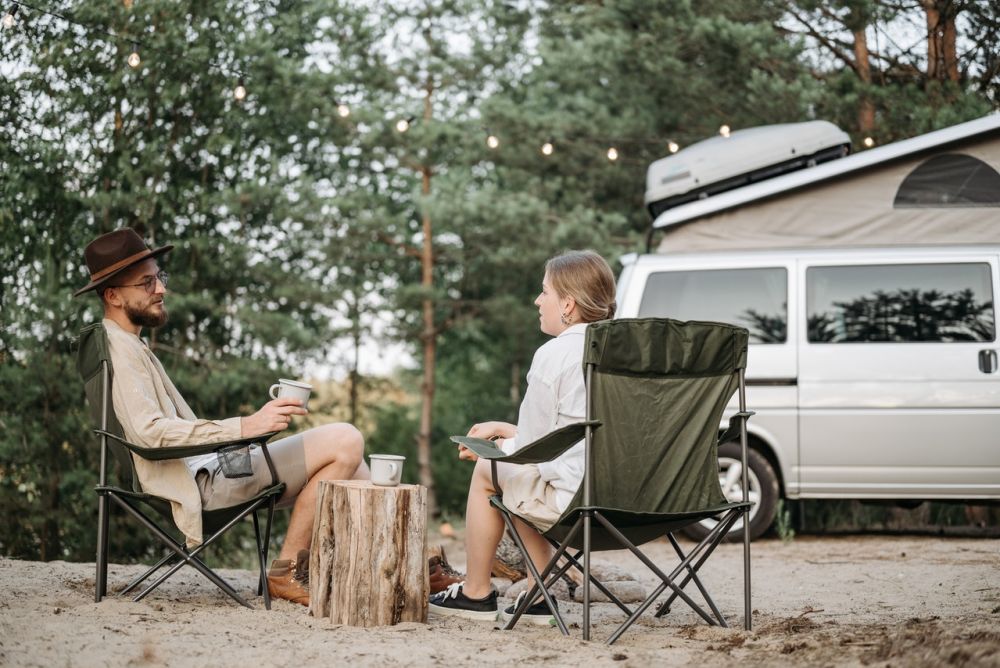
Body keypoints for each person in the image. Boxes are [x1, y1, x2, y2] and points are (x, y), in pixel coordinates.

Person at [75, 228, 369, 607]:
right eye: (146, 282)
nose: (161, 289)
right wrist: (247, 426)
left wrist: (244, 434)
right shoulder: (120, 351)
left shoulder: (129, 343)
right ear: (112, 295)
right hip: (200, 485)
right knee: (345, 439)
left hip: (212, 470)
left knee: (357, 466)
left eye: (159, 277)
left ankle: (402, 567)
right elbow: (149, 434)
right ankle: (285, 571)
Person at [428, 250, 617, 624]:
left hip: (581, 500)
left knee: (492, 472)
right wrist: (504, 429)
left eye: (543, 291)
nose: (537, 300)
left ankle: (476, 593)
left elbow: (533, 451)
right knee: (520, 473)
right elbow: (576, 431)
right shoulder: (629, 352)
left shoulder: (556, 354)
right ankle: (536, 594)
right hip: (645, 501)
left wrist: (494, 449)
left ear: (567, 303)